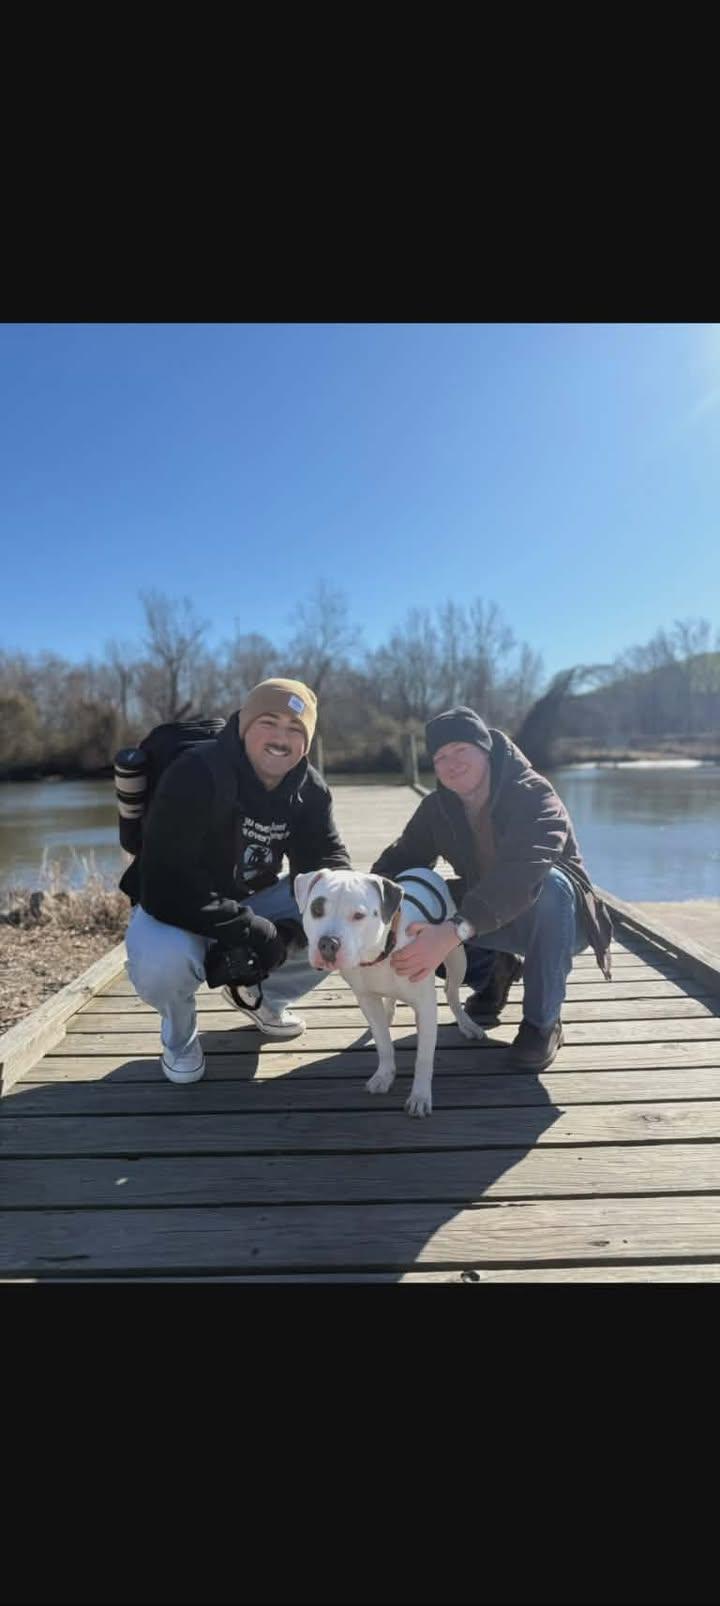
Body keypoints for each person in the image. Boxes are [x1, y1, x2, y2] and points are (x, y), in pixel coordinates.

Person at [121, 678, 351, 1084]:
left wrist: (296, 928)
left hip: (251, 896)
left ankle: (261, 997)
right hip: (173, 905)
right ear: (244, 725)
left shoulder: (310, 787)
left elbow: (328, 861)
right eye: (270, 721)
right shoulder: (194, 773)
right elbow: (164, 884)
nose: (282, 737)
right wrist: (253, 931)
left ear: (307, 742)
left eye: (296, 729)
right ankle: (180, 1039)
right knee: (163, 965)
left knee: (342, 922)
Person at [371, 706, 612, 1070]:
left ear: (485, 749)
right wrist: (365, 907)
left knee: (550, 885)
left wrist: (451, 932)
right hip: (487, 911)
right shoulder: (437, 808)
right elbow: (400, 861)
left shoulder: (534, 794)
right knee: (426, 898)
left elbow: (523, 874)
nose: (451, 763)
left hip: (560, 920)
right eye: (440, 757)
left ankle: (542, 1024)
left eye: (460, 750)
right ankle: (494, 974)